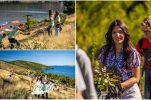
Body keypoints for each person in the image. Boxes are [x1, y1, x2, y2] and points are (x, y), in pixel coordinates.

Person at [98, 19, 141, 99]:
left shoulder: (132, 53)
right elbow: (102, 72)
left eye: (120, 32)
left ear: (125, 33)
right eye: (114, 32)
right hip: (111, 93)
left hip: (130, 93)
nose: (117, 35)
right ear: (110, 34)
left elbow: (136, 78)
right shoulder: (104, 51)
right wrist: (106, 85)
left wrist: (119, 86)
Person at [136, 16, 151, 99]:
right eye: (143, 31)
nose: (144, 34)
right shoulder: (142, 42)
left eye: (146, 31)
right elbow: (135, 57)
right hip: (147, 72)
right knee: (147, 95)